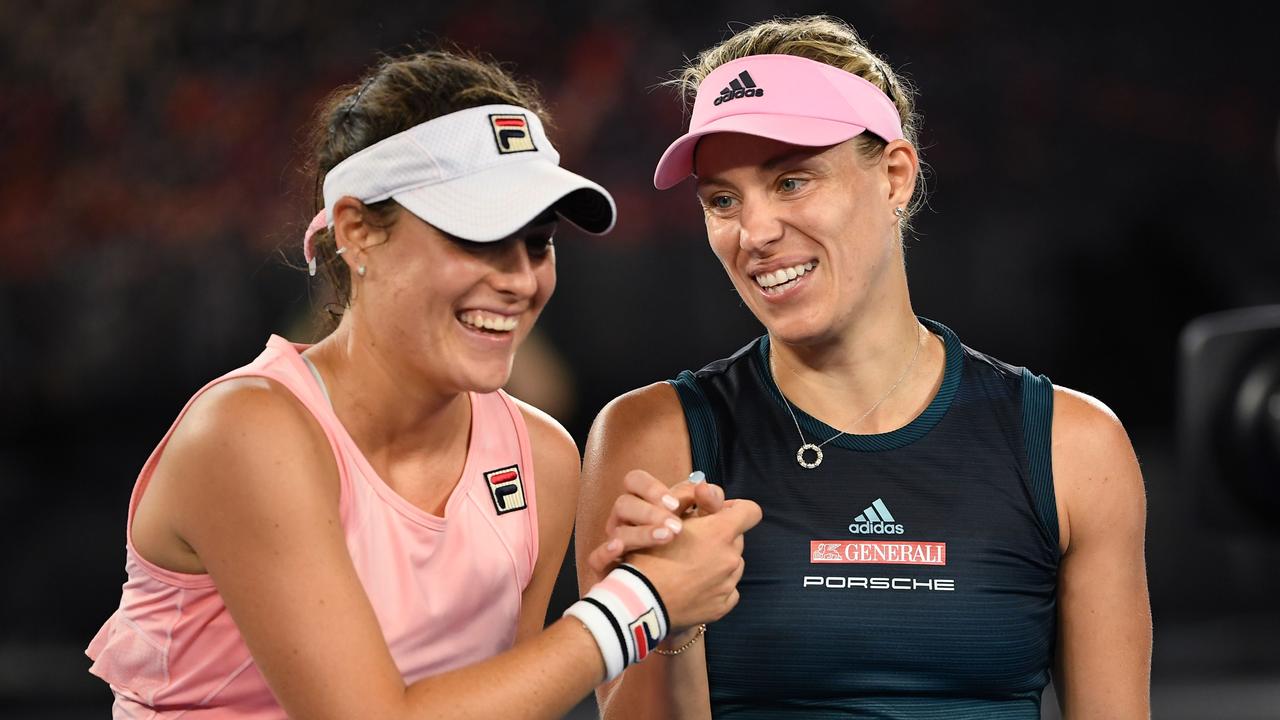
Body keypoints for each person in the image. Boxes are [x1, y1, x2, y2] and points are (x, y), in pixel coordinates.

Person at [85, 49, 761, 719]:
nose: (521, 279)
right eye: (477, 235)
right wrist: (640, 602)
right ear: (357, 233)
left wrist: (672, 610)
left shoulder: (541, 457)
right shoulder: (246, 433)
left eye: (537, 243)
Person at [577, 15, 1151, 719]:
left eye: (791, 182)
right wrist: (672, 616)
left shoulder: (1073, 444)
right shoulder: (653, 440)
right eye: (722, 200)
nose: (754, 233)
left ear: (894, 177)